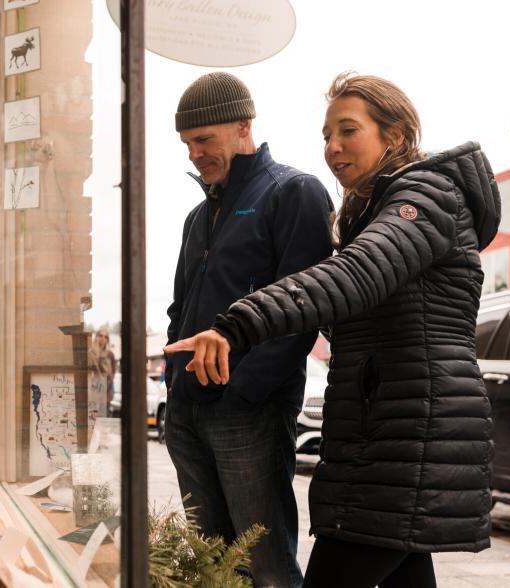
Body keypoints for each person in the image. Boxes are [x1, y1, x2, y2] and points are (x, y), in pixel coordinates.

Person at [166, 72, 500, 587]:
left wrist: (237, 326)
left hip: (410, 433)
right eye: (326, 135)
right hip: (381, 432)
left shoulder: (427, 196)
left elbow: (355, 274)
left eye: (348, 130)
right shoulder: (373, 210)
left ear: (395, 135)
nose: (333, 147)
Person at [165, 71, 334, 587]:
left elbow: (302, 310)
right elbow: (180, 309)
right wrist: (176, 386)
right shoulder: (198, 217)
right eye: (187, 144)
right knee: (212, 564)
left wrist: (241, 392)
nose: (194, 153)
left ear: (244, 127)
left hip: (248, 415)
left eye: (203, 140)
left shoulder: (295, 192)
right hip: (187, 413)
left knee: (266, 566)